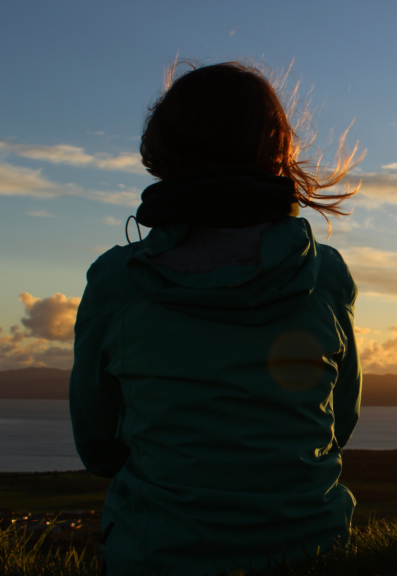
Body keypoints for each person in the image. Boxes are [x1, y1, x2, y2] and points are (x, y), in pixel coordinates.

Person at [69, 61, 363, 575]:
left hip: (159, 557)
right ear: (277, 150)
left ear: (163, 149)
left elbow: (98, 448)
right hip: (314, 551)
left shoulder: (117, 282)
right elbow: (339, 424)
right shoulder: (324, 274)